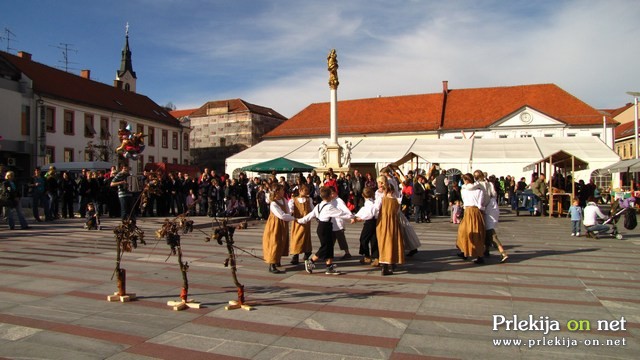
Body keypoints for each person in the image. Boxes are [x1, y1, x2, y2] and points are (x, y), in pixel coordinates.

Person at [298, 186, 354, 275]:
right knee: (325, 247)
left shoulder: (319, 205)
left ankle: (329, 267)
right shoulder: (329, 207)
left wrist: (300, 220)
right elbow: (341, 213)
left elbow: (310, 215)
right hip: (325, 228)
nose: (332, 196)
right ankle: (311, 261)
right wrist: (353, 217)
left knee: (329, 247)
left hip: (323, 227)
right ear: (329, 197)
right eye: (331, 195)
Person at [473, 170, 508, 262]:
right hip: (493, 207)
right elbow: (494, 194)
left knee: (489, 231)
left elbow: (482, 198)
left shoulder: (478, 185)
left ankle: (502, 252)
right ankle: (486, 250)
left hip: (486, 208)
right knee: (486, 229)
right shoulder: (489, 184)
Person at [375, 176, 405, 275]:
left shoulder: (381, 199)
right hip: (393, 223)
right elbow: (397, 212)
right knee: (392, 242)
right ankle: (391, 263)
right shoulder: (396, 201)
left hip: (382, 222)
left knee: (383, 242)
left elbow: (375, 210)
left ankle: (384, 264)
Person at [262, 184, 295, 274]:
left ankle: (277, 260)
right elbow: (281, 215)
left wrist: (291, 215)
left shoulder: (284, 200)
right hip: (274, 225)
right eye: (282, 190)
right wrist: (294, 219)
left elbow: (287, 212)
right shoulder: (273, 203)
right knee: (274, 242)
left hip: (283, 224)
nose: (283, 191)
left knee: (281, 241)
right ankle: (271, 264)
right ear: (277, 192)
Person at [456, 173, 486, 264]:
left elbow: (464, 201)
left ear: (466, 180)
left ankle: (464, 251)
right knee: (477, 233)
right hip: (476, 212)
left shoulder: (463, 190)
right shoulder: (479, 190)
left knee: (464, 232)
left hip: (468, 211)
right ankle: (479, 255)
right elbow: (480, 204)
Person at [351, 186, 379, 266]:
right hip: (374, 222)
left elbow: (368, 214)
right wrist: (357, 216)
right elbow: (364, 210)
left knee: (363, 239)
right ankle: (376, 257)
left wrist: (358, 218)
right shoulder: (372, 201)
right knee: (373, 239)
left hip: (369, 222)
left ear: (363, 195)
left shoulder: (369, 202)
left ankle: (367, 256)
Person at [288, 184, 313, 265]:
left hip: (306, 222)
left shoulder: (309, 200)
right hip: (297, 222)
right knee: (296, 238)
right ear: (300, 191)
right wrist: (291, 212)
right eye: (305, 190)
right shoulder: (293, 200)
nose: (306, 192)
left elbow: (313, 209)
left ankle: (307, 252)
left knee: (306, 237)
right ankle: (295, 255)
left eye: (307, 190)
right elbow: (290, 209)